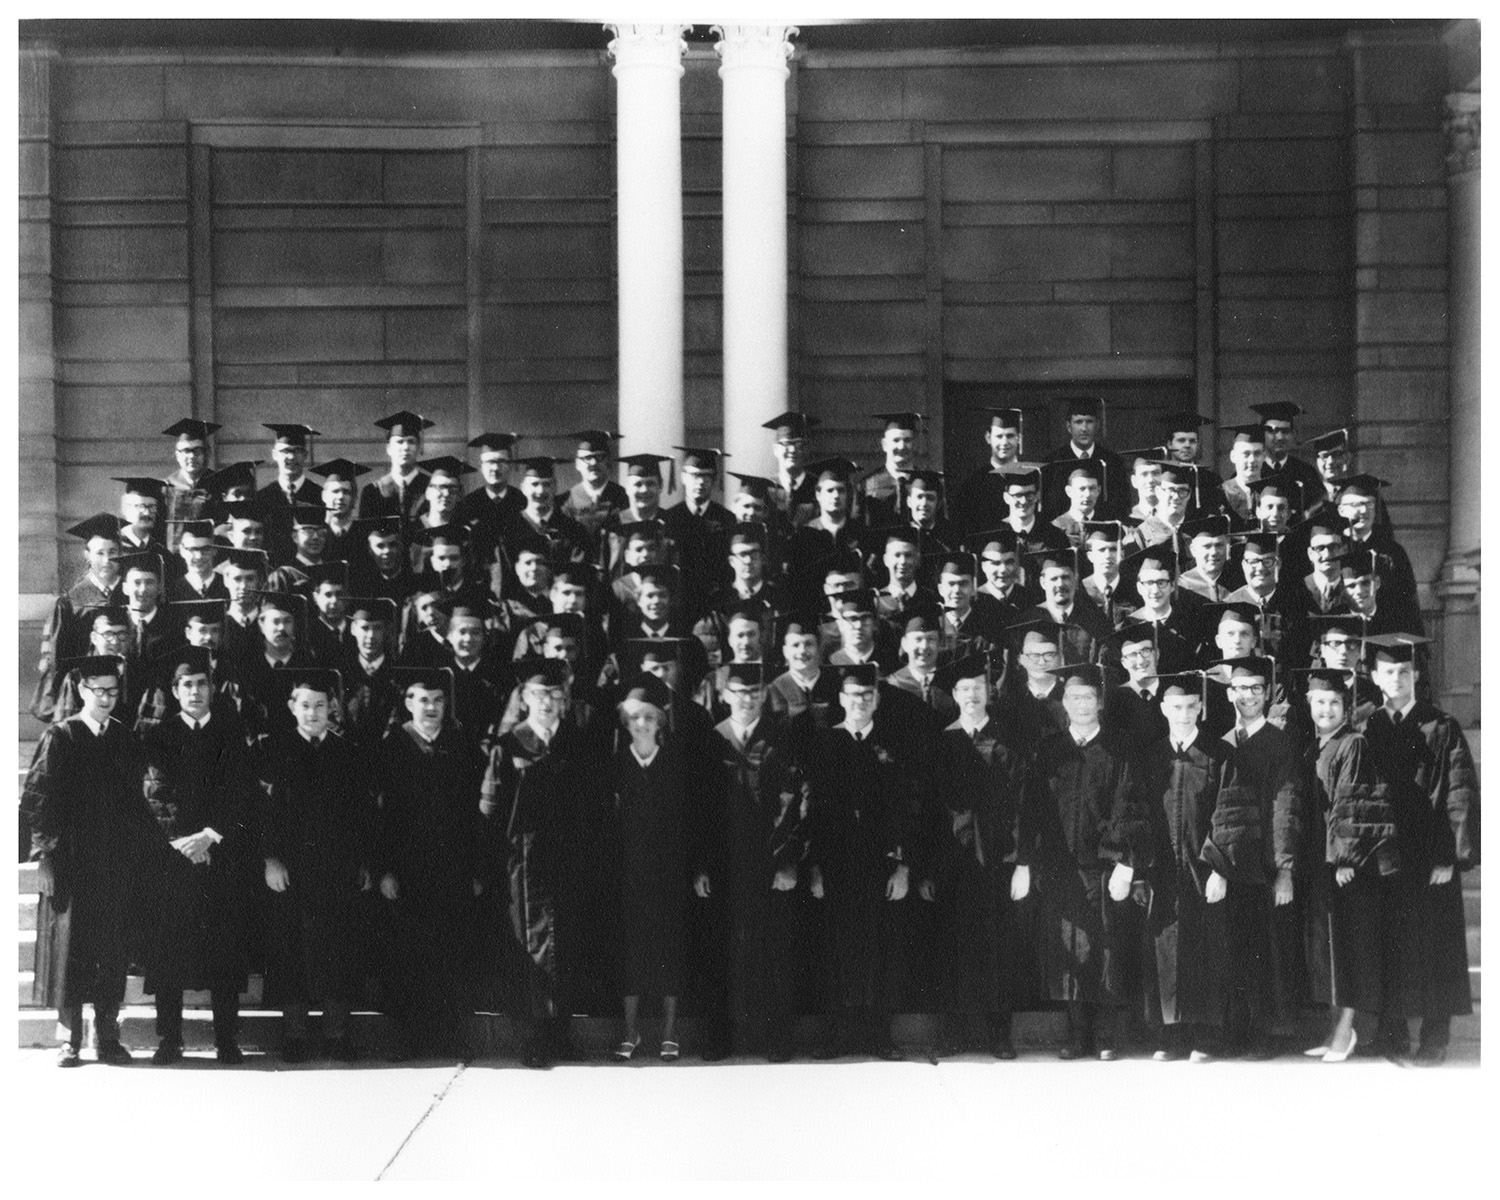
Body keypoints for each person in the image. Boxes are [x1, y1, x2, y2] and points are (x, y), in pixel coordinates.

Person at [22, 654, 167, 1066]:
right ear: (82, 690)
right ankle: (69, 1039)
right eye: (97, 690)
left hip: (115, 863)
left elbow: (137, 803)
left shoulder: (124, 737)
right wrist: (44, 858)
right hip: (70, 861)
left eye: (112, 691)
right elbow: (39, 799)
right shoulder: (61, 736)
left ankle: (107, 1036)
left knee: (112, 949)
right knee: (70, 952)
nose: (105, 698)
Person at [136, 646, 257, 1065]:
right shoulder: (159, 736)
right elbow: (155, 793)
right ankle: (170, 1038)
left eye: (202, 683)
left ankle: (227, 1038)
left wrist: (209, 835)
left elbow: (241, 791)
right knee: (169, 950)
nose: (195, 691)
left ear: (212, 688)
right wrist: (183, 841)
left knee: (224, 949)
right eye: (186, 684)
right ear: (174, 690)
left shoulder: (230, 733)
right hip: (174, 861)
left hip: (221, 857)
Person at [1362, 634, 1479, 1066]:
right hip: (1388, 853)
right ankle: (1393, 1033)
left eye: (1404, 671)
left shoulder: (1441, 726)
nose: (1396, 678)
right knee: (1392, 941)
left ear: (1415, 676)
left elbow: (1459, 790)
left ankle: (1435, 1036)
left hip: (1431, 855)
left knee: (1435, 945)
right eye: (1388, 672)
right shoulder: (1370, 727)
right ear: (1375, 677)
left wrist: (1450, 854)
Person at [1020, 662, 1144, 1060]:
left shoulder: (1120, 751)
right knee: (1069, 949)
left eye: (1089, 696)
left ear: (1100, 701)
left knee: (1106, 949)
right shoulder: (1049, 751)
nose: (1082, 704)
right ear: (1064, 703)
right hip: (1061, 869)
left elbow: (1129, 807)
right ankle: (1076, 1035)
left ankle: (1105, 1036)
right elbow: (1033, 809)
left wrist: (1124, 862)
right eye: (1074, 697)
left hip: (1103, 867)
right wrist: (1029, 861)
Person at [257, 669, 373, 1063]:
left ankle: (336, 1034)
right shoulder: (274, 750)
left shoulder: (347, 753)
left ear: (331, 708)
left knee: (337, 950)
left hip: (336, 869)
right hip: (290, 870)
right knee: (291, 950)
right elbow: (262, 813)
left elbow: (361, 813)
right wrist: (271, 859)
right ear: (292, 708)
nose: (312, 713)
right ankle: (295, 1034)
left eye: (320, 705)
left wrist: (362, 862)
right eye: (305, 705)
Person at [805, 663, 917, 1060]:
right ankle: (837, 1035)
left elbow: (907, 808)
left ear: (877, 699)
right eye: (853, 695)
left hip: (879, 863)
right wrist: (814, 866)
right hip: (836, 863)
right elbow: (811, 809)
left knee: (881, 948)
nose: (860, 701)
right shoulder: (824, 743)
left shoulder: (893, 745)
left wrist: (902, 866)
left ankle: (879, 1035)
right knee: (836, 949)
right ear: (841, 699)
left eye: (867, 695)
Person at [375, 667, 485, 1061]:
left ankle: (449, 1037)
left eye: (438, 700)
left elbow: (476, 813)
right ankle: (406, 1038)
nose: (431, 707)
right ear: (408, 702)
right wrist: (385, 869)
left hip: (452, 867)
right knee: (406, 955)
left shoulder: (462, 744)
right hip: (407, 868)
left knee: (451, 953)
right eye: (423, 699)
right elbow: (380, 813)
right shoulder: (392, 745)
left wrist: (476, 869)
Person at [1201, 656, 1306, 1059]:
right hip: (1231, 865)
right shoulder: (1223, 743)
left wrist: (1284, 870)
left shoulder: (1279, 743)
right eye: (1241, 689)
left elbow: (1286, 807)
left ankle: (1265, 1035)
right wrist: (1217, 864)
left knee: (1266, 953)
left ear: (1267, 694)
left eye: (1256, 689)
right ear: (1230, 693)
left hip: (1264, 866)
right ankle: (1236, 1033)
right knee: (1234, 951)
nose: (1248, 696)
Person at [705, 663, 810, 1061]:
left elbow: (794, 800)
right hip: (725, 864)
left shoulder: (781, 739)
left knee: (774, 951)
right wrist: (702, 866)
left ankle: (775, 1037)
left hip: (770, 862)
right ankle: (723, 1037)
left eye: (753, 692)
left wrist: (786, 861)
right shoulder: (713, 740)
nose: (746, 699)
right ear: (725, 696)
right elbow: (700, 809)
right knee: (724, 949)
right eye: (738, 692)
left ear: (764, 695)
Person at [1295, 668, 1399, 1065]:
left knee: (1349, 951)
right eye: (1320, 702)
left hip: (1345, 867)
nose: (1327, 709)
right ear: (1310, 705)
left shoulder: (1353, 743)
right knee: (1330, 952)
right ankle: (1334, 1027)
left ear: (1346, 707)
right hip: (1321, 865)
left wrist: (1345, 858)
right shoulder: (1315, 747)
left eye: (1335, 702)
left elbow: (1353, 802)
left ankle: (1346, 1031)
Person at [931, 653, 1029, 1059]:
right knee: (952, 947)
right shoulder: (942, 742)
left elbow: (1024, 806)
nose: (972, 695)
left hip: (998, 862)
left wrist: (1023, 862)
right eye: (964, 689)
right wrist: (930, 867)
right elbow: (931, 809)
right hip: (954, 862)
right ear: (954, 695)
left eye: (978, 688)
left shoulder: (1008, 742)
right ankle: (954, 1033)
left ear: (989, 692)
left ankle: (999, 1034)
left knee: (998, 947)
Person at [1135, 672, 1233, 1062]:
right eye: (1176, 707)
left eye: (1191, 706)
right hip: (1162, 869)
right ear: (1164, 709)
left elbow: (1228, 814)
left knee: (1205, 948)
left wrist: (1220, 869)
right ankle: (1171, 1037)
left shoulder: (1219, 754)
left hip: (1203, 868)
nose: (1184, 714)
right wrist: (1140, 871)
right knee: (1165, 949)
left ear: (1201, 708)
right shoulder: (1152, 755)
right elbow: (1139, 815)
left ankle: (1205, 1037)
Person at [610, 672, 701, 1061]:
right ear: (626, 722)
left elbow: (692, 822)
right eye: (635, 717)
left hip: (669, 873)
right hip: (628, 874)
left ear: (660, 721)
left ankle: (669, 1031)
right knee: (630, 950)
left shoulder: (675, 765)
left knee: (669, 948)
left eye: (649, 716)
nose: (642, 723)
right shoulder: (616, 765)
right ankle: (630, 1032)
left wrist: (696, 867)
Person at [1041, 396, 1125, 520]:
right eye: (1078, 422)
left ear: (1097, 425)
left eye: (1089, 421)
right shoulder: (1052, 462)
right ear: (1069, 427)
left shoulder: (1113, 461)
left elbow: (1121, 505)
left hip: (1103, 528)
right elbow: (1048, 507)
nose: (1084, 428)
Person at [951, 407, 1031, 537]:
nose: (1004, 442)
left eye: (1010, 436)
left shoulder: (1033, 476)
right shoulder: (972, 484)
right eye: (999, 436)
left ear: (1019, 438)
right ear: (988, 438)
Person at [254, 423, 323, 564]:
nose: (291, 456)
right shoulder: (262, 497)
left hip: (310, 571)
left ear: (305, 455)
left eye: (297, 451)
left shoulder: (320, 495)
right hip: (274, 570)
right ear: (275, 455)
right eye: (285, 451)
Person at [357, 410, 434, 530]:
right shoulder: (372, 492)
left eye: (411, 441)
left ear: (418, 447)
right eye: (399, 442)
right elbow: (366, 534)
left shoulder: (432, 487)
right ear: (389, 448)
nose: (405, 447)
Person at [160, 418, 221, 552]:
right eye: (186, 450)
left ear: (207, 453)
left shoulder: (219, 483)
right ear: (177, 455)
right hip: (174, 556)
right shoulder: (166, 487)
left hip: (210, 555)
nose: (192, 456)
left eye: (197, 450)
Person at [860, 411, 924, 528]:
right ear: (884, 445)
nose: (901, 446)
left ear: (914, 444)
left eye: (907, 440)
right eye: (896, 440)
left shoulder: (926, 481)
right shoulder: (867, 485)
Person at [561, 429, 628, 538]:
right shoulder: (566, 501)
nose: (593, 463)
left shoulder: (623, 497)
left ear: (608, 462)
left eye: (600, 457)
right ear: (577, 464)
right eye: (587, 458)